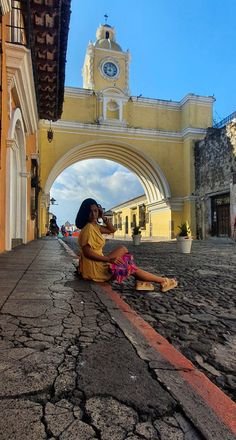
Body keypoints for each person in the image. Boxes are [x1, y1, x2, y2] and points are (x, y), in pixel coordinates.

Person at [75, 198, 178, 292]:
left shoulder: (95, 226)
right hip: (95, 269)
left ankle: (143, 281)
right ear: (85, 213)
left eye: (95, 211)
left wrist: (103, 217)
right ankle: (163, 280)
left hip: (96, 264)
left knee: (123, 250)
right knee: (129, 266)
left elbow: (112, 230)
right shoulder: (89, 228)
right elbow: (87, 253)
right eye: (90, 212)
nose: (93, 214)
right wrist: (108, 259)